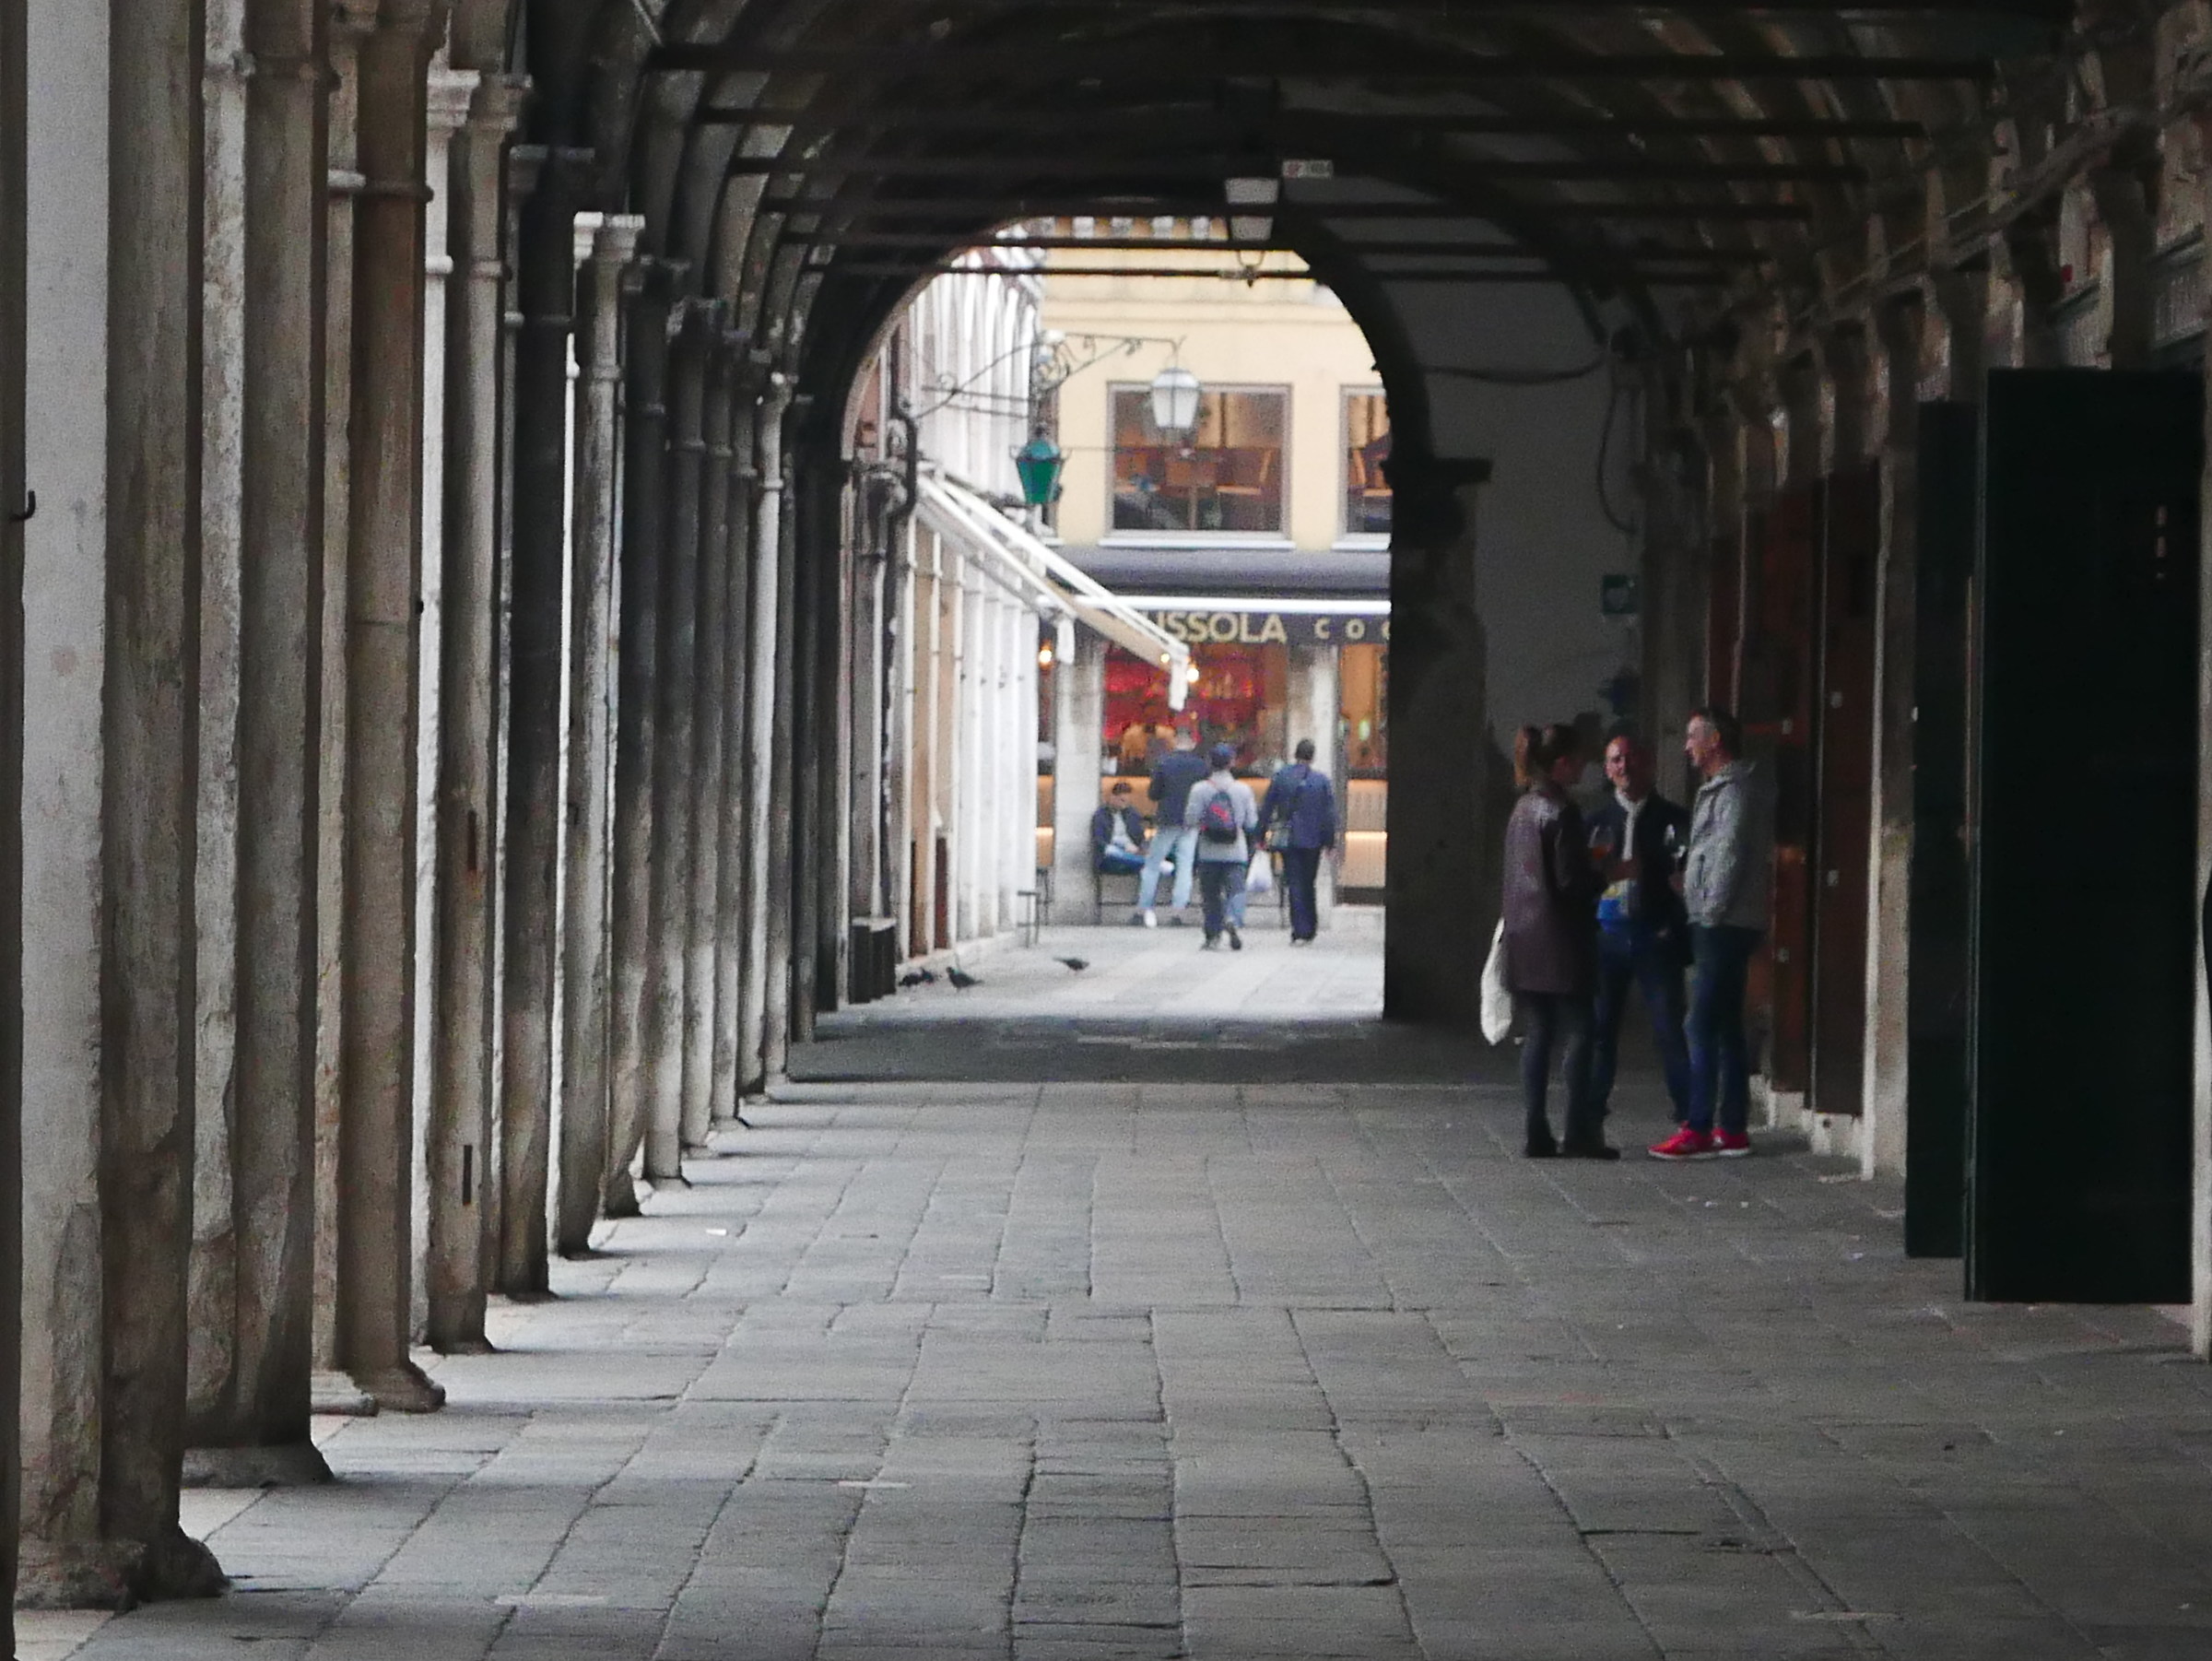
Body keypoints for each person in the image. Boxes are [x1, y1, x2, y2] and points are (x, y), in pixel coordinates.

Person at [1649, 706, 1774, 1161]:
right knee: (1724, 1026)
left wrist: (1708, 907)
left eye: (1692, 738)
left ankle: (1699, 1126)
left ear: (1715, 740)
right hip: (1722, 917)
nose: (1686, 747)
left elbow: (1730, 853)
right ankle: (1734, 1129)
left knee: (1698, 1023)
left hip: (1720, 923)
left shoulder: (1734, 791)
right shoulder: (1724, 789)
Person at [1500, 724, 1612, 1160]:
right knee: (1582, 1031)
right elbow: (1569, 883)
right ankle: (1578, 1131)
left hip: (1525, 938)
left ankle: (1536, 1129)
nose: (1585, 767)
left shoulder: (1524, 807)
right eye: (1580, 760)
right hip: (1562, 941)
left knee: (1539, 1033)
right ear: (1562, 763)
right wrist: (1604, 872)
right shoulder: (1561, 811)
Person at [1584, 733, 1694, 1125]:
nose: (1624, 767)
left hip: (1655, 935)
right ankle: (1591, 1113)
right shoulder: (1595, 823)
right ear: (1607, 769)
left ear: (1649, 765)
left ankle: (1689, 1114)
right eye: (1616, 760)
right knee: (1600, 1030)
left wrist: (1674, 928)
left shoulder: (1674, 820)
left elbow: (1688, 882)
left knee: (1669, 1028)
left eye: (1631, 759)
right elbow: (1580, 882)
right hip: (1607, 938)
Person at [1257, 737, 1338, 944]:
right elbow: (1329, 815)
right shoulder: (1321, 781)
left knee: (1294, 883)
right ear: (1313, 756)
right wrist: (1330, 843)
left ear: (1295, 754)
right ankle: (1310, 927)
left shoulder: (1281, 777)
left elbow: (1267, 807)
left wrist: (1260, 836)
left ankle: (1299, 929)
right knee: (1308, 882)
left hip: (1289, 838)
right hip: (1313, 840)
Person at [1184, 742, 1259, 950]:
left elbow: (1190, 819)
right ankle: (1233, 919)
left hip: (1208, 850)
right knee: (1236, 890)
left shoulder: (1199, 789)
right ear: (1232, 763)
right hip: (1236, 851)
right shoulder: (1243, 790)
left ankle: (1212, 935)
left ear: (1209, 762)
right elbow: (1251, 822)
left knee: (1210, 895)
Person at [1134, 727, 1208, 926]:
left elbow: (1153, 793)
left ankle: (1144, 908)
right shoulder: (1200, 766)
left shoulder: (1164, 762)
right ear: (1192, 742)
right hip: (1191, 822)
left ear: (1175, 741)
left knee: (1153, 864)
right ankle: (1178, 911)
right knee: (1185, 866)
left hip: (1167, 820)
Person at [1091, 781, 1147, 876]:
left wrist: (1139, 848)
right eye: (1122, 800)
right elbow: (1100, 840)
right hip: (1110, 853)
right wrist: (1125, 846)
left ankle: (1146, 862)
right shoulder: (1101, 815)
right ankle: (1148, 862)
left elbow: (1140, 836)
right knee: (1115, 852)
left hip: (1131, 850)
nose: (1124, 805)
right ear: (1113, 797)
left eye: (1127, 801)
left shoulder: (1132, 813)